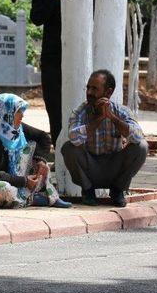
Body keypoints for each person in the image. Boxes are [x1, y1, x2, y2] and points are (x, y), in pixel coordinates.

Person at [0, 93, 71, 209]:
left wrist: (40, 160)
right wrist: (24, 182)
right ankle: (31, 198)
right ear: (7, 114)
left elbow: (43, 137)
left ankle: (44, 195)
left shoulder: (14, 128)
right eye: (18, 111)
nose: (22, 115)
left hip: (14, 180)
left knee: (36, 155)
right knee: (2, 189)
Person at [61, 70, 148, 207]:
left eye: (94, 89)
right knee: (68, 148)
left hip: (114, 167)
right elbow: (74, 138)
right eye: (88, 88)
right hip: (90, 168)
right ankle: (88, 191)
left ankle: (118, 190)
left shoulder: (121, 111)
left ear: (108, 92)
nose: (89, 92)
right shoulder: (79, 111)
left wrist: (112, 117)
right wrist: (98, 119)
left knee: (142, 147)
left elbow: (137, 136)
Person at [30, 0, 62, 144]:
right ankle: (58, 148)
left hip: (75, 57)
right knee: (54, 105)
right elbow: (36, 18)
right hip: (52, 58)